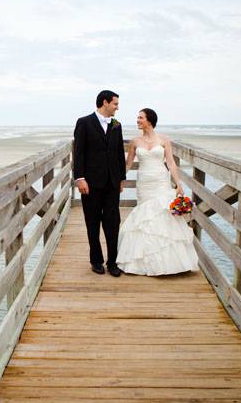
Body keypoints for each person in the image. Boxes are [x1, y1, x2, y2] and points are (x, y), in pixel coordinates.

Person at [116, 108, 200, 276]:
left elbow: (171, 163)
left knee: (163, 215)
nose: (137, 120)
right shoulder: (135, 141)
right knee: (145, 217)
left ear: (149, 120)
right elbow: (128, 163)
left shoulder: (164, 140)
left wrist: (178, 184)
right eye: (138, 117)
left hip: (161, 181)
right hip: (144, 183)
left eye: (140, 118)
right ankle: (143, 262)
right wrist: (120, 180)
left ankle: (169, 263)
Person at [73, 90, 126, 276]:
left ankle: (113, 262)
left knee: (113, 222)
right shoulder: (84, 122)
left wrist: (121, 178)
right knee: (92, 222)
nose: (117, 107)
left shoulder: (116, 125)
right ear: (105, 102)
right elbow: (78, 152)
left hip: (112, 182)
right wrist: (79, 178)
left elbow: (119, 153)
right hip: (91, 183)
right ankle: (96, 260)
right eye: (115, 104)